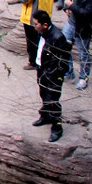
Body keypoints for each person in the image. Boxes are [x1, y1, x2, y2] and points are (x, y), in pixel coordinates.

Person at [30, 10, 71, 143]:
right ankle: (46, 116)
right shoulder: (42, 33)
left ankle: (57, 128)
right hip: (42, 68)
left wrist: (52, 75)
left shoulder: (58, 37)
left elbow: (62, 62)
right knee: (43, 95)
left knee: (53, 100)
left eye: (36, 24)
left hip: (52, 74)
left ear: (45, 25)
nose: (34, 26)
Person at [63, 0, 92, 89]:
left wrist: (71, 6)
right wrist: (67, 8)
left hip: (83, 28)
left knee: (83, 54)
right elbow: (70, 1)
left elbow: (85, 13)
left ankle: (84, 78)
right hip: (71, 23)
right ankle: (68, 72)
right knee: (62, 46)